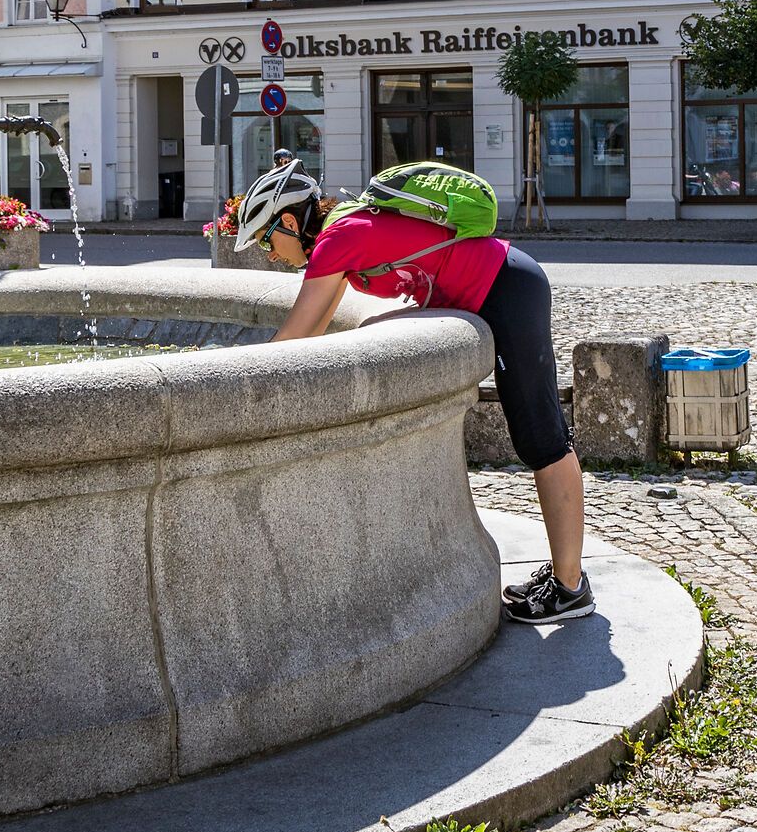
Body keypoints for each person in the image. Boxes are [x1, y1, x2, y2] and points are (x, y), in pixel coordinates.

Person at [235, 158, 593, 625]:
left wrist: (236, 383)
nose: (270, 255)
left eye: (266, 240)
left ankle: (570, 588)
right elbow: (317, 332)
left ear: (288, 221)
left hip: (506, 290)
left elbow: (295, 336)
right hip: (506, 279)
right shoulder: (344, 230)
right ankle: (567, 574)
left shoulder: (337, 240)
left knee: (542, 438)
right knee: (538, 434)